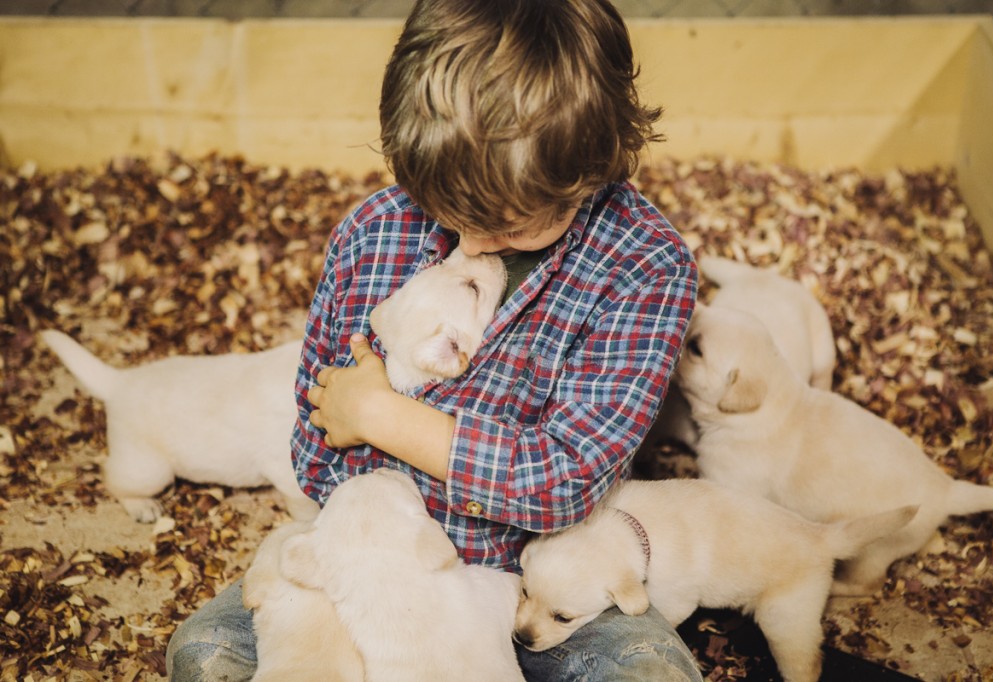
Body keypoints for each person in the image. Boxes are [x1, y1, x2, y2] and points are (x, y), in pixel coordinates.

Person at [166, 0, 702, 679]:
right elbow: (314, 447)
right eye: (450, 211)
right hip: (372, 564)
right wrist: (381, 545)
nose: (472, 244)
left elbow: (565, 481)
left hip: (541, 573)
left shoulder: (644, 265)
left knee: (648, 672)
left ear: (592, 168)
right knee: (206, 655)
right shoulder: (375, 233)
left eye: (508, 226)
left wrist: (381, 414)